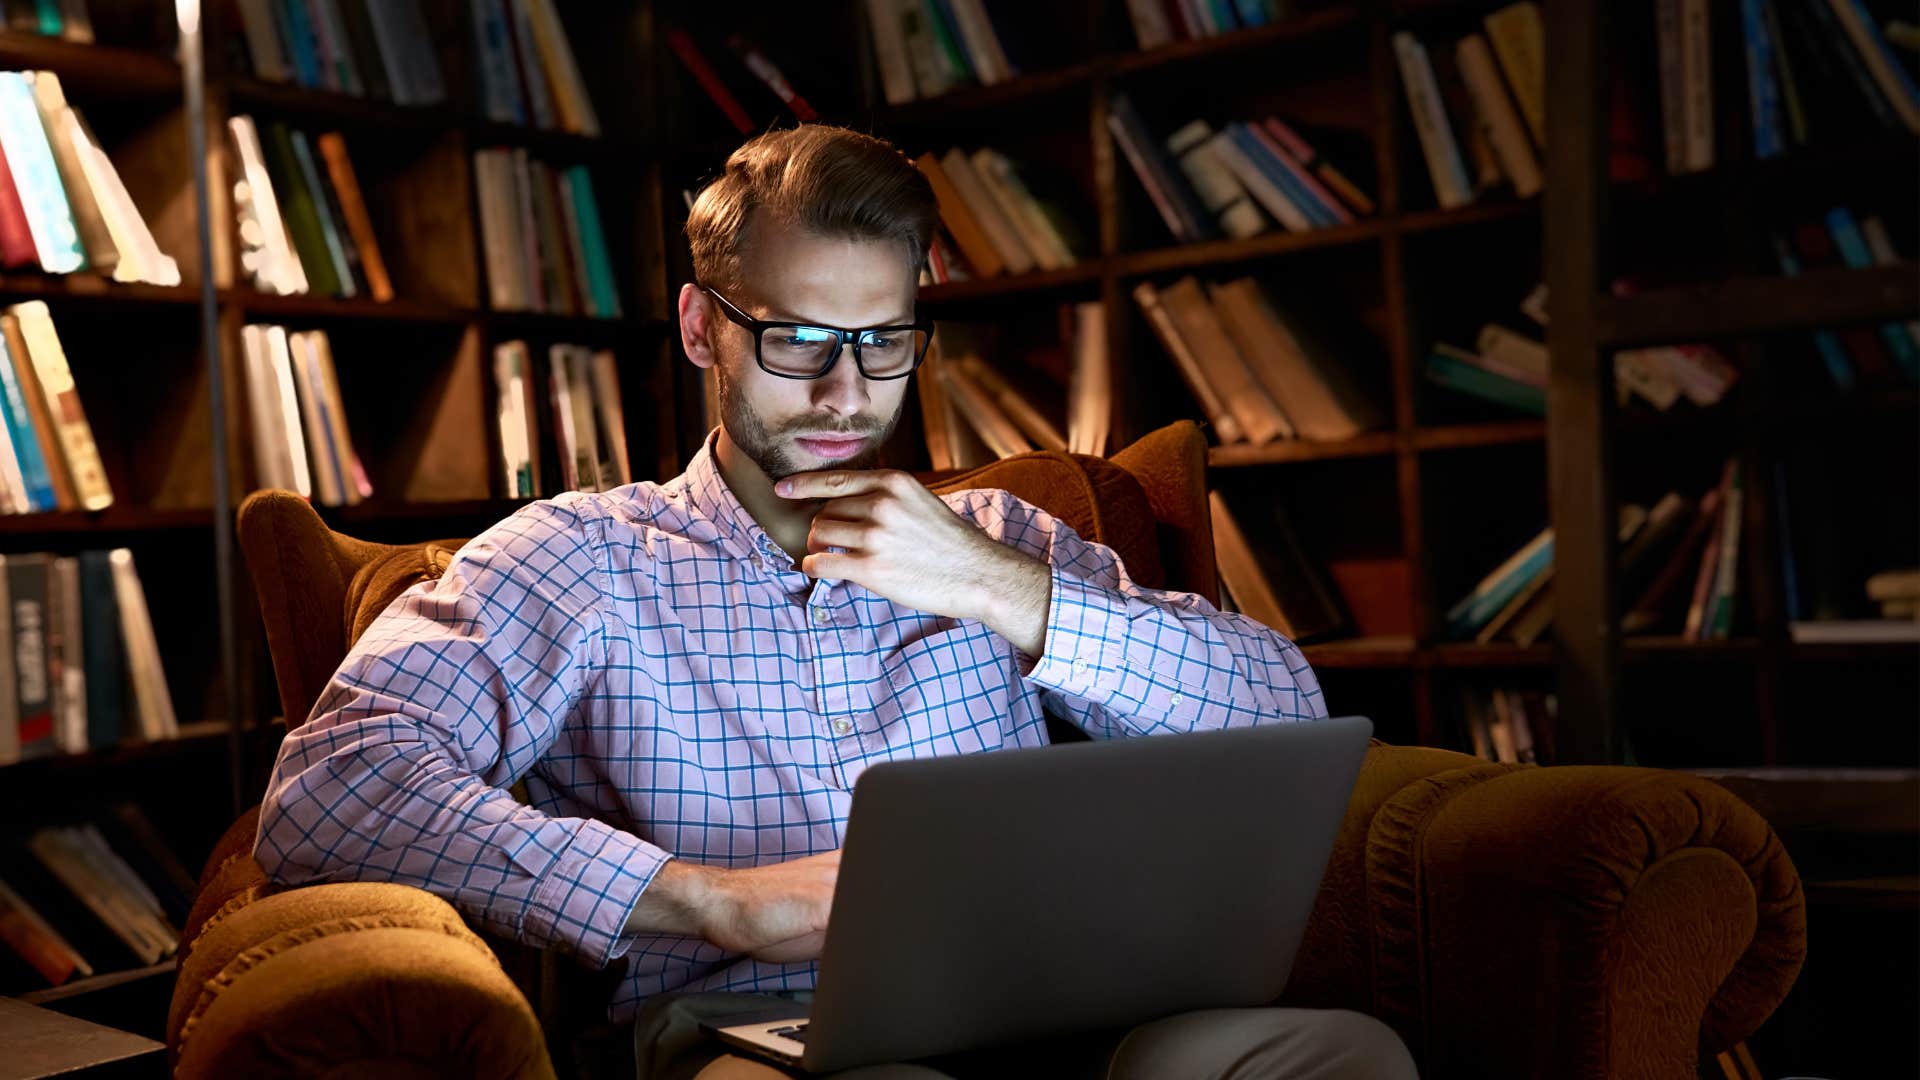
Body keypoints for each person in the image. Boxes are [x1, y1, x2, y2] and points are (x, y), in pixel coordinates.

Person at [253, 124, 1415, 1079]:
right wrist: (709, 902)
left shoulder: (1004, 537)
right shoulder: (581, 560)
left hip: (1067, 1012)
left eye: (884, 342)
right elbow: (328, 794)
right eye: (799, 340)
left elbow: (1289, 717)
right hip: (760, 1032)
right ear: (703, 328)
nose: (847, 393)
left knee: (1340, 1055)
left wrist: (996, 586)